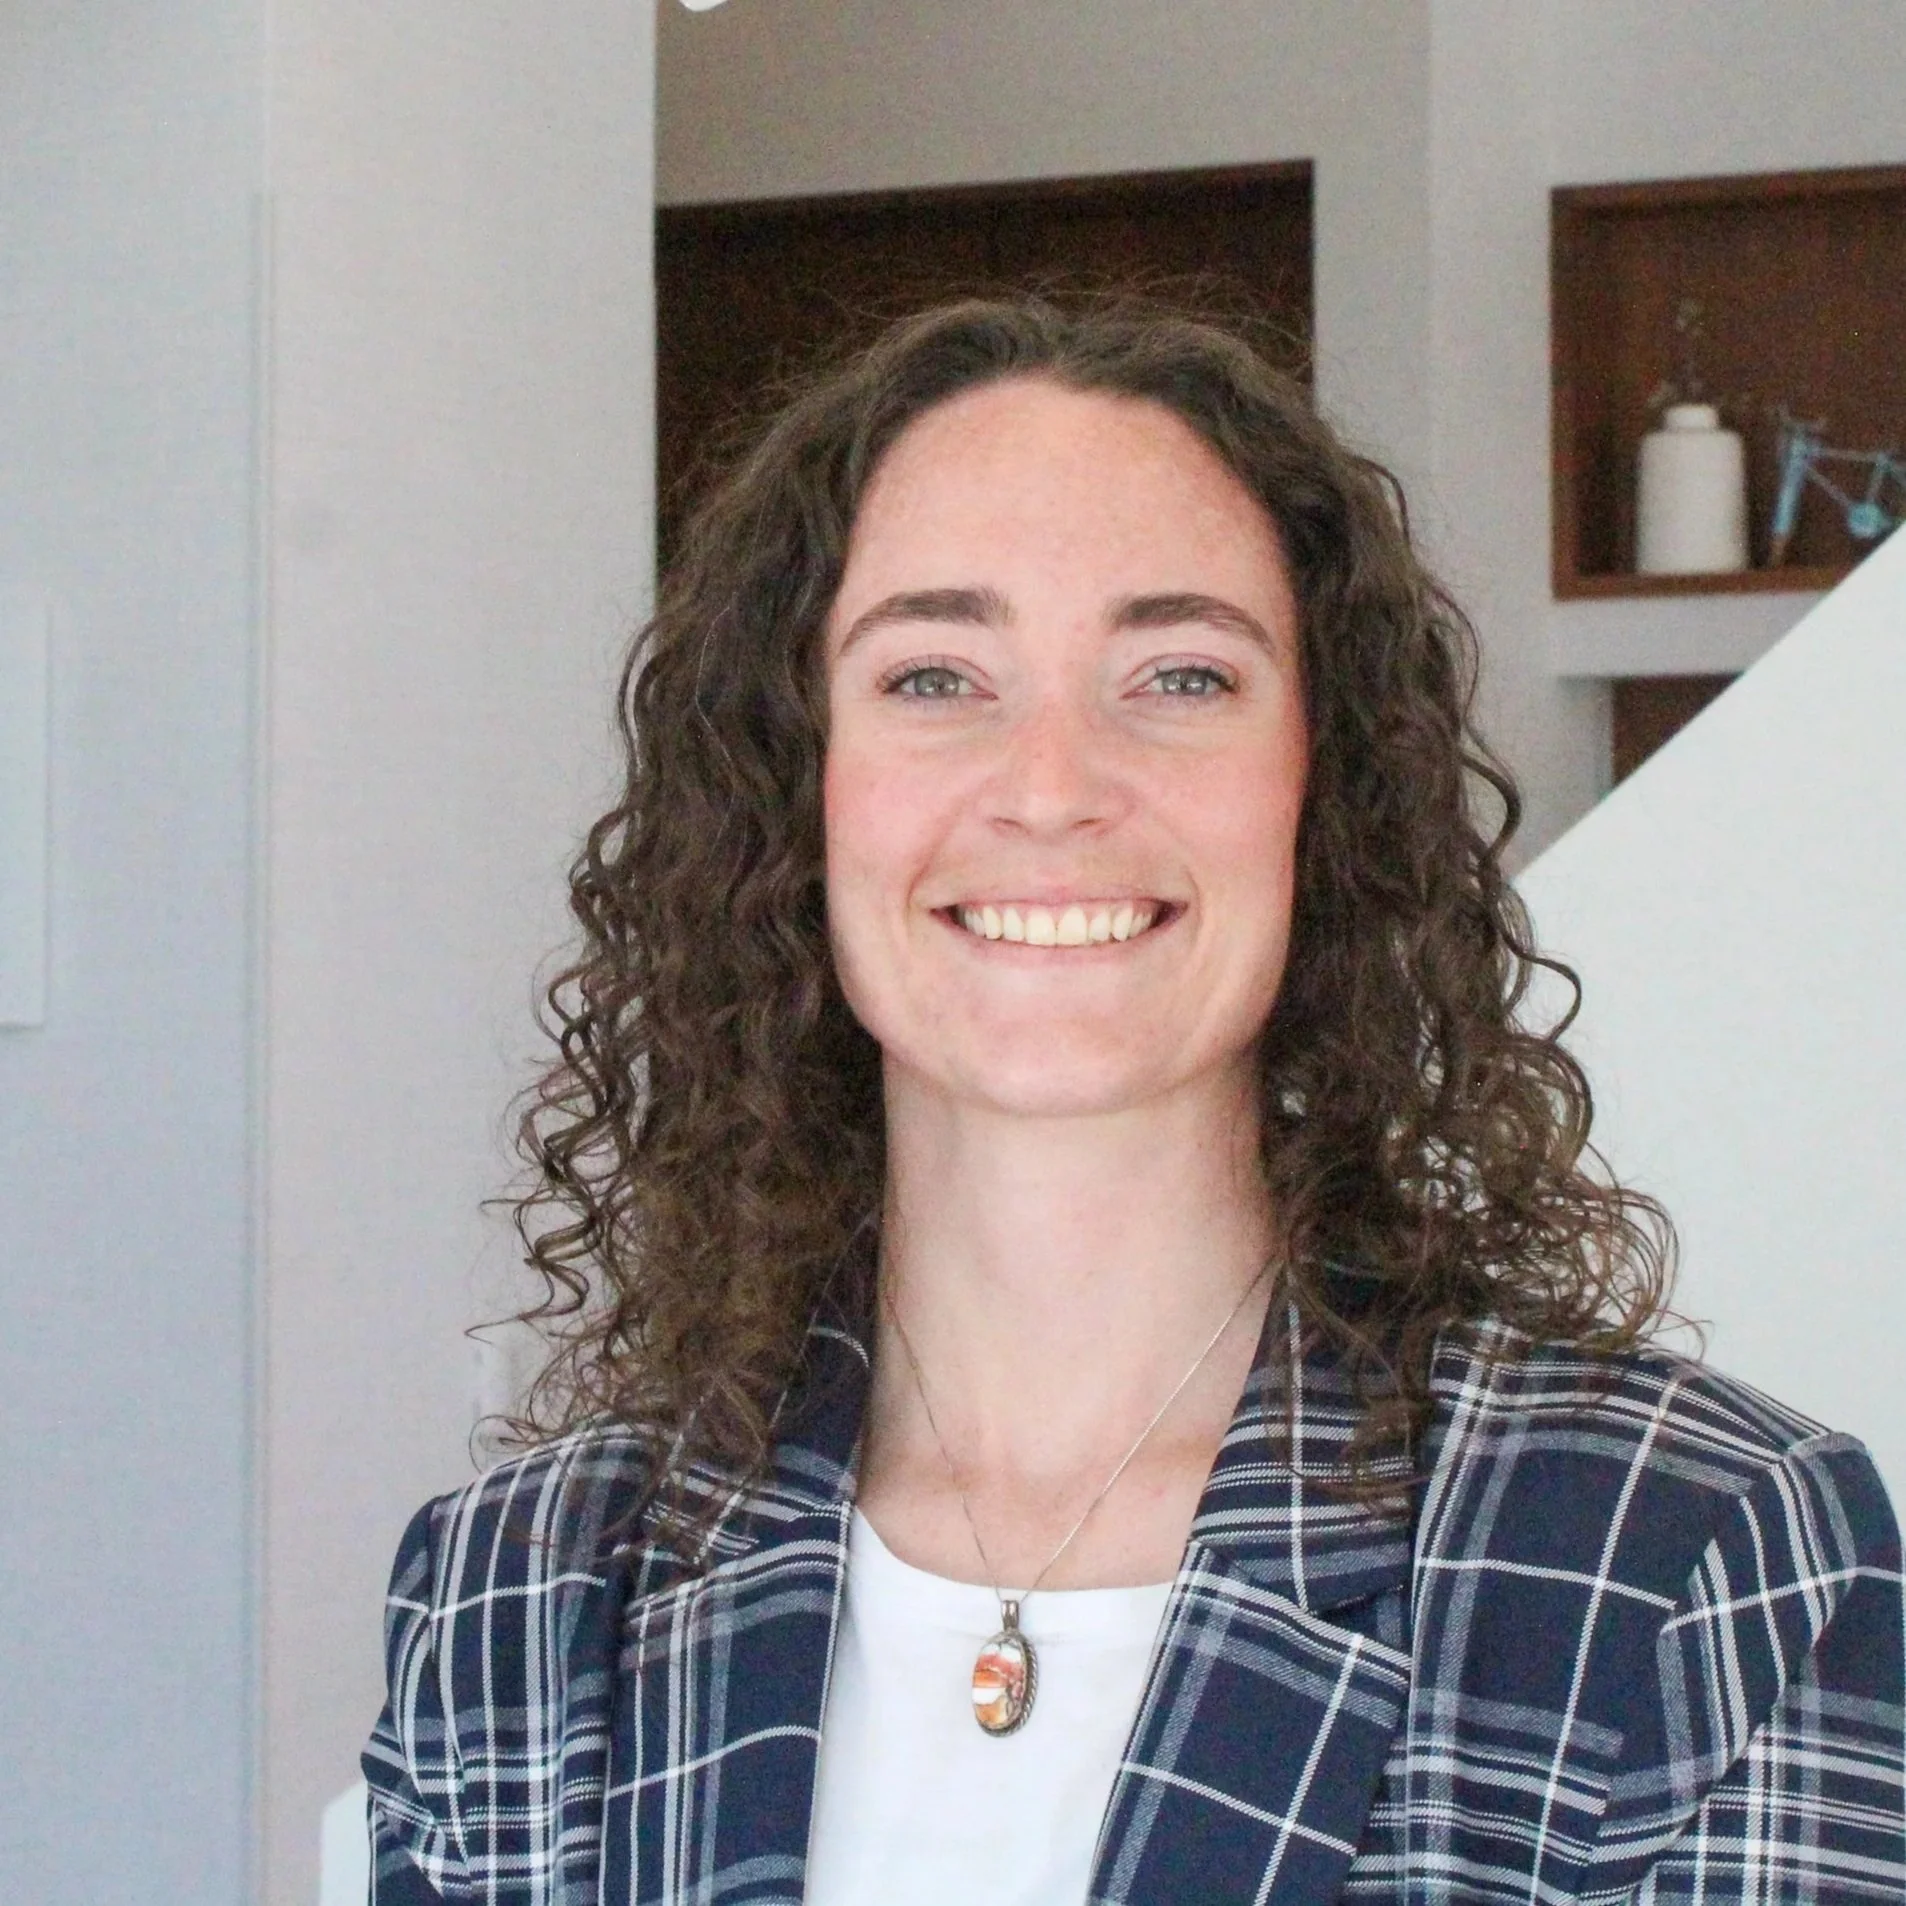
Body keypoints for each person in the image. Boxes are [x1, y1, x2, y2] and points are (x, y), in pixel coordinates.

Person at [362, 298, 1904, 1904]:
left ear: (1324, 787)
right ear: (790, 788)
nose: (1049, 783)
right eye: (934, 675)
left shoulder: (1692, 1566)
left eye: (1177, 674)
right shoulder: (519, 1598)